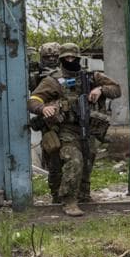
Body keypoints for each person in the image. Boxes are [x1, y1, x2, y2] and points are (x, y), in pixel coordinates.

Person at [27, 43, 121, 216]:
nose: (70, 60)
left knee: (88, 158)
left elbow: (117, 89)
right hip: (65, 129)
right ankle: (68, 200)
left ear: (78, 58)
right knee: (74, 160)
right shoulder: (54, 80)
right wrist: (42, 109)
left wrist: (100, 89)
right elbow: (33, 100)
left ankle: (83, 196)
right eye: (66, 58)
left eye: (73, 57)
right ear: (61, 59)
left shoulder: (92, 77)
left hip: (88, 128)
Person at [29, 42, 64, 201]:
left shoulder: (66, 72)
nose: (51, 59)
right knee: (53, 157)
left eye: (54, 56)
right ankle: (56, 193)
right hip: (47, 121)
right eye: (47, 57)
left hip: (66, 121)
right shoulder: (35, 74)